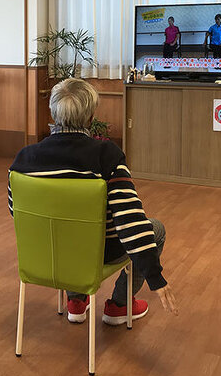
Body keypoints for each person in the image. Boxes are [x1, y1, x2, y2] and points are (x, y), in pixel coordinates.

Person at [9, 78, 177, 325]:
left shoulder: (24, 159)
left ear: (54, 114)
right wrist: (155, 277)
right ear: (90, 118)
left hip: (47, 252)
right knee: (156, 229)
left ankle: (76, 301)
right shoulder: (107, 156)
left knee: (65, 227)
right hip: (98, 253)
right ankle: (119, 305)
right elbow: (130, 221)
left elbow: (17, 212)